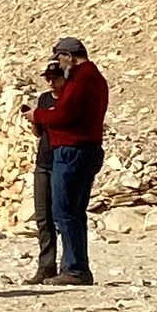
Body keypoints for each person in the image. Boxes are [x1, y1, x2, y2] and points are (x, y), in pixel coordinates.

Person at [28, 36, 109, 287]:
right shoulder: (96, 78)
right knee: (74, 212)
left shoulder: (81, 79)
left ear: (69, 56)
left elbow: (64, 115)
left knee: (63, 211)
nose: (58, 64)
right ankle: (75, 266)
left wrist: (37, 115)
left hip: (72, 151)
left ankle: (74, 269)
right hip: (87, 149)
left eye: (59, 58)